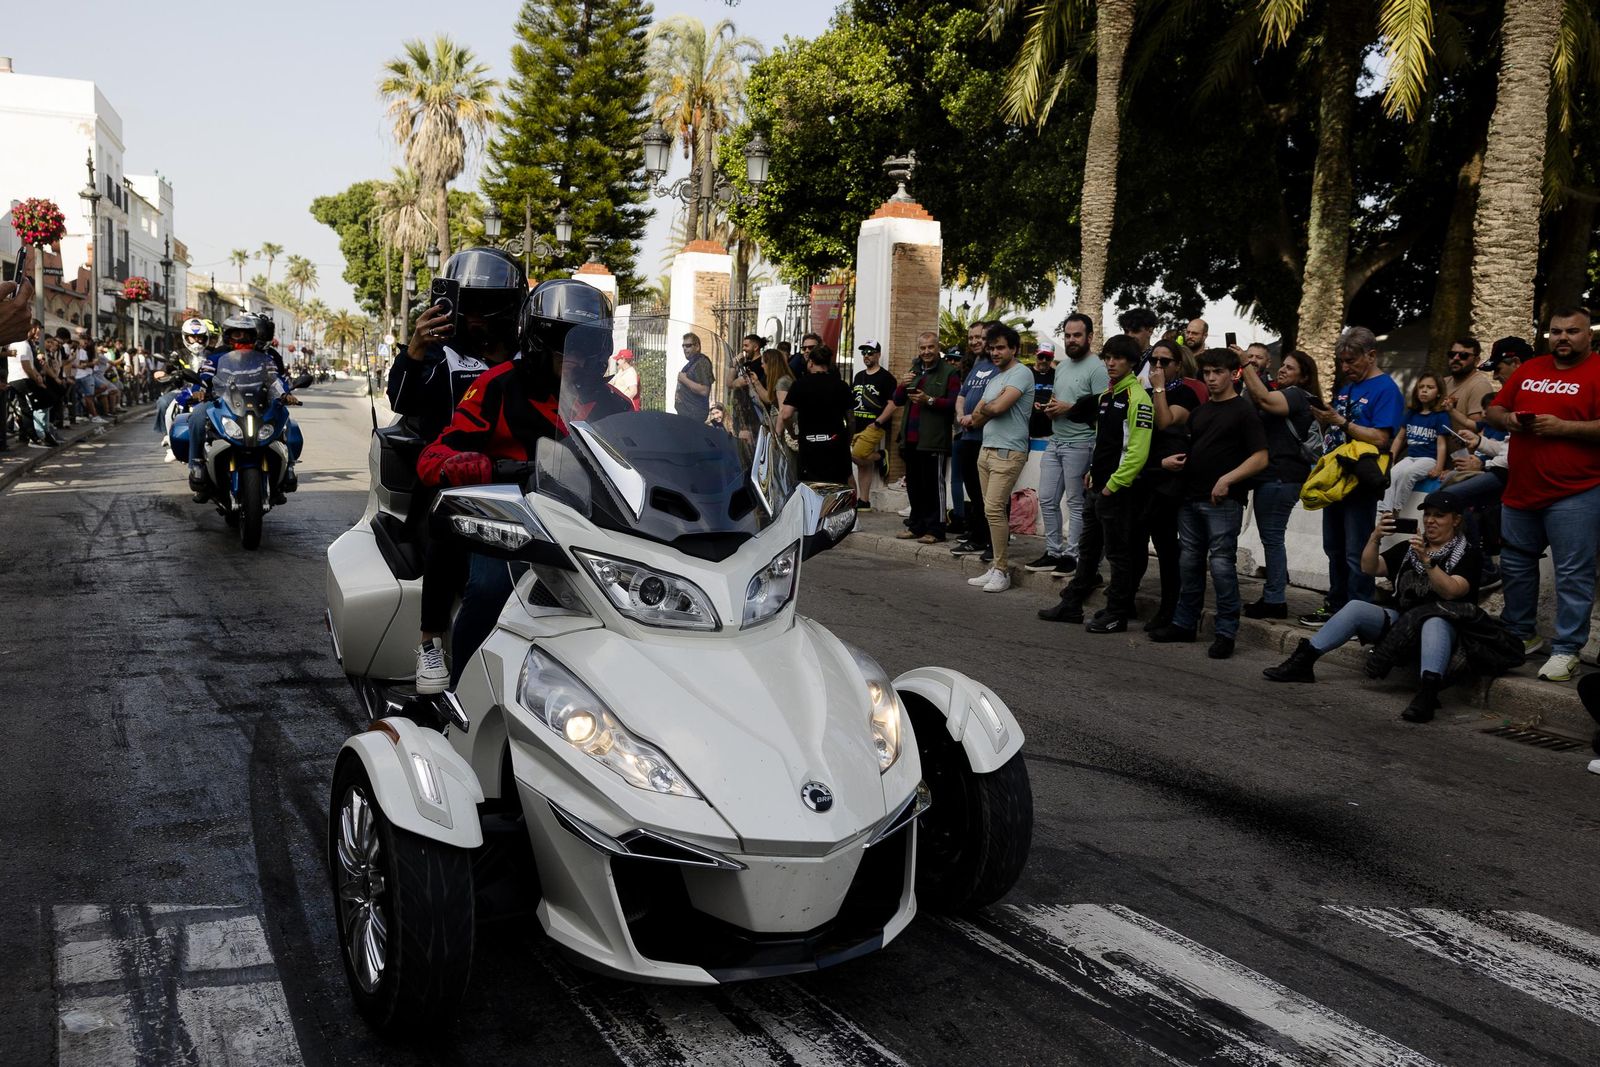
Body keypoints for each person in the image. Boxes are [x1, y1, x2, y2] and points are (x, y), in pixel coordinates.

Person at [417, 278, 629, 688]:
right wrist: (484, 468)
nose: (570, 353)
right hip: (509, 521)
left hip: (588, 529)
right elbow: (435, 456)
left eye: (583, 343)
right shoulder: (496, 386)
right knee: (493, 586)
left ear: (600, 349)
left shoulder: (615, 404)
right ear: (534, 338)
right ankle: (459, 687)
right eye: (556, 338)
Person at [386, 247, 529, 693]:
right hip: (449, 475)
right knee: (448, 516)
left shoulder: (529, 354)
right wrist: (414, 350)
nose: (478, 317)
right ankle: (430, 641)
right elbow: (401, 401)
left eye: (490, 305)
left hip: (520, 480)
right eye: (470, 305)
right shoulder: (440, 353)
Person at [1263, 492, 1483, 722]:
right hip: (1404, 625)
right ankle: (1303, 662)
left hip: (1447, 629)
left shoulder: (1468, 554)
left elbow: (1451, 591)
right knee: (1356, 607)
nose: (1430, 521)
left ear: (1455, 520)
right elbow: (1369, 567)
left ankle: (1428, 694)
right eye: (1427, 515)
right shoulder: (1411, 549)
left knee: (1434, 621)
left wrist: (1427, 561)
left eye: (1439, 516)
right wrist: (1375, 537)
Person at [1481, 305, 1600, 683]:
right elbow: (1495, 410)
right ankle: (1520, 634)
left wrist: (1564, 427)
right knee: (1515, 565)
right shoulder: (1531, 369)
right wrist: (1509, 420)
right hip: (1522, 488)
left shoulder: (1598, 371)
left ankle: (1567, 650)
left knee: (1573, 573)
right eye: (1556, 331)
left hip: (1577, 491)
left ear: (1589, 335)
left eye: (1572, 331)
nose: (1563, 337)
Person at [1149, 348, 1268, 656]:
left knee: (1221, 565)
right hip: (1190, 497)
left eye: (1218, 372)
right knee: (1188, 563)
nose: (1212, 378)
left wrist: (1228, 479)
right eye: (1207, 373)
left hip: (1223, 502)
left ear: (1233, 374)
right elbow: (1172, 429)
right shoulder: (1201, 412)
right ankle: (1185, 624)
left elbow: (1260, 458)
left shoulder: (1244, 411)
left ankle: (1226, 632)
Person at [1039, 335, 1153, 624]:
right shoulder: (1107, 396)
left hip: (1118, 491)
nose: (1111, 363)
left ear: (1132, 363)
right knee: (1088, 550)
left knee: (1118, 554)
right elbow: (1104, 442)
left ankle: (1117, 612)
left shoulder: (1138, 399)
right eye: (1108, 357)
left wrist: (1112, 486)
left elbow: (1137, 454)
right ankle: (1072, 604)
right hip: (1097, 486)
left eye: (1119, 358)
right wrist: (1093, 472)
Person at [1302, 326, 1405, 627]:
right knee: (1333, 546)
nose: (1345, 367)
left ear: (1371, 355)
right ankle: (1336, 605)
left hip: (1361, 480)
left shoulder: (1386, 389)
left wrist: (1340, 421)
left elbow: (1381, 438)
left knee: (1355, 549)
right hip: (1336, 475)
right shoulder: (1349, 386)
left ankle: (1359, 611)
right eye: (1342, 361)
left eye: (1351, 361)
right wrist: (1326, 419)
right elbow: (1340, 426)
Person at [1241, 348, 1323, 618]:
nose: (1282, 370)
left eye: (1290, 368)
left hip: (1281, 477)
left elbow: (1263, 398)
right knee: (1272, 538)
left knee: (1273, 539)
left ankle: (1275, 599)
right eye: (1283, 365)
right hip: (1279, 477)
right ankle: (1275, 593)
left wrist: (1245, 364)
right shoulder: (1291, 394)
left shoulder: (1297, 395)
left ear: (1304, 377)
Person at [960, 323, 1035, 593]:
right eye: (991, 348)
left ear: (1013, 349)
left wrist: (988, 408)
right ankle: (995, 565)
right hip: (987, 449)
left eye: (1000, 347)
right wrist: (987, 409)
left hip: (1009, 451)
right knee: (986, 508)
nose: (995, 352)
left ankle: (1002, 570)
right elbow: (979, 412)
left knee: (993, 508)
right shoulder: (994, 379)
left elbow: (997, 408)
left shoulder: (1022, 373)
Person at [1028, 314, 1105, 577]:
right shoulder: (1061, 367)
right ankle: (1053, 552)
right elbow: (1058, 398)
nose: (1071, 340)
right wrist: (1049, 407)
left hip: (1081, 443)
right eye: (1068, 336)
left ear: (1090, 337)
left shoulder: (1098, 368)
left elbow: (1102, 409)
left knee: (1075, 502)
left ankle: (1073, 556)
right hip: (1055, 439)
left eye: (1077, 335)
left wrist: (1068, 408)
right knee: (1047, 499)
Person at [1138, 340, 1205, 630]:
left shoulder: (1184, 392)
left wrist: (1159, 388)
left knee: (1168, 548)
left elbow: (1164, 422)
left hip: (1172, 482)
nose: (1158, 366)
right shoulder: (1147, 391)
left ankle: (1169, 609)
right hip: (1148, 475)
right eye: (1154, 360)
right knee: (1137, 542)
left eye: (1166, 361)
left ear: (1178, 365)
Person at [892, 331, 959, 542]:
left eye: (930, 347)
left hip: (934, 440)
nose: (927, 351)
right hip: (911, 440)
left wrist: (929, 400)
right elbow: (898, 400)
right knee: (914, 485)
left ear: (937, 347)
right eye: (923, 348)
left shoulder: (949, 373)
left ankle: (936, 530)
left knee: (933, 486)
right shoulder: (914, 370)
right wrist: (902, 384)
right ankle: (916, 526)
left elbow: (954, 405)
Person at [950, 323, 1001, 560]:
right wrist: (961, 416)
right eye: (971, 338)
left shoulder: (1000, 366)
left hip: (986, 438)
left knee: (990, 495)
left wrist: (975, 418)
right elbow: (962, 394)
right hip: (967, 435)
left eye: (980, 337)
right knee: (973, 491)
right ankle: (977, 535)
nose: (975, 342)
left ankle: (993, 541)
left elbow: (993, 401)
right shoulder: (977, 365)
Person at [777, 344, 854, 483]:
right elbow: (851, 420)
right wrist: (846, 441)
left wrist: (793, 432)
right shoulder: (841, 386)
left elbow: (785, 414)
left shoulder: (800, 385)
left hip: (810, 445)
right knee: (840, 486)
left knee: (810, 488)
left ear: (811, 363)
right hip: (836, 445)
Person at [1380, 372, 1450, 513]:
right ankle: (1384, 510)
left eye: (1430, 387)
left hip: (1428, 459)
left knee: (1408, 474)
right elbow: (1400, 438)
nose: (1424, 390)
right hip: (1410, 457)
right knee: (1392, 474)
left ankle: (1396, 509)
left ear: (1438, 393)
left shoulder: (1440, 416)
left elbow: (1441, 444)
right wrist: (1391, 459)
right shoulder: (1412, 413)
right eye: (1421, 387)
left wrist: (1439, 467)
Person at [849, 340, 898, 507]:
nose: (866, 356)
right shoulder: (858, 376)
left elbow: (893, 404)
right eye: (864, 353)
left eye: (870, 352)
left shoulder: (886, 378)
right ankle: (864, 500)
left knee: (857, 455)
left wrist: (878, 422)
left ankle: (880, 457)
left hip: (874, 425)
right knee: (863, 465)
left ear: (878, 354)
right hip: (858, 424)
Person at [1440, 338, 1496, 431]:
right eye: (1452, 354)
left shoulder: (1479, 386)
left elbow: (1477, 429)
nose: (1456, 358)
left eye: (1463, 355)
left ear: (1476, 360)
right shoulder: (1443, 382)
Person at [674, 332, 714, 424]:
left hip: (693, 417)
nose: (684, 348)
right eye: (683, 346)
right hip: (686, 415)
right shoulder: (693, 363)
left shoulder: (702, 363)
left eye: (688, 345)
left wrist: (684, 380)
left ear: (697, 347)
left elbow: (704, 390)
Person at [1028, 341, 1055, 440]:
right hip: (1027, 430)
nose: (1044, 360)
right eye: (1041, 356)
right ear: (1036, 355)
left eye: (1047, 358)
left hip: (1050, 432)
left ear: (1052, 358)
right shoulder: (1026, 373)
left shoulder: (1057, 375)